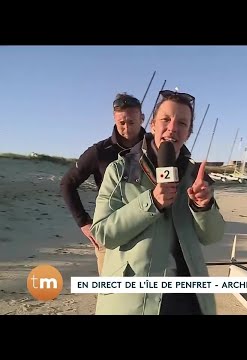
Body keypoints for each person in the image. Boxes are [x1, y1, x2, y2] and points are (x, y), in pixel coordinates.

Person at [90, 89, 225, 315]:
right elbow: (103, 233)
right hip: (134, 301)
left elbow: (213, 236)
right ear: (152, 124)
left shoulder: (195, 177)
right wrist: (151, 202)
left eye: (182, 123)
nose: (172, 128)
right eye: (166, 119)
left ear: (189, 132)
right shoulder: (120, 170)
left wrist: (203, 206)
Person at [60, 93, 146, 275]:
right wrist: (83, 222)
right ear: (115, 120)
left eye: (131, 122)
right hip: (110, 235)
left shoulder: (155, 148)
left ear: (142, 118)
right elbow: (67, 183)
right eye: (121, 123)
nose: (126, 128)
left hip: (147, 233)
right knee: (111, 295)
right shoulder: (99, 152)